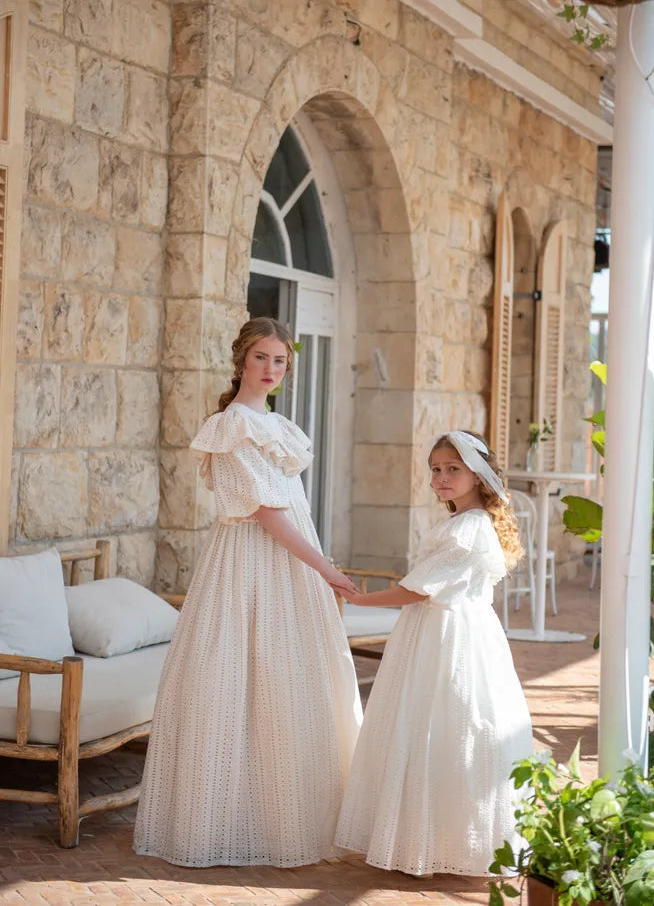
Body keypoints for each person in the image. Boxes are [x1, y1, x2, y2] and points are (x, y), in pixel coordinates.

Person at [134, 317, 362, 868]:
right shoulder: (230, 426)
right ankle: (224, 820)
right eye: (261, 357)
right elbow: (265, 515)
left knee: (287, 687)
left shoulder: (278, 426)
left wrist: (314, 565)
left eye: (280, 360)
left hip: (290, 566)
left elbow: (293, 511)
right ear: (241, 360)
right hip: (251, 567)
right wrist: (325, 568)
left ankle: (281, 816)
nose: (270, 369)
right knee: (236, 685)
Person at [335, 431, 532, 877]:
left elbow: (416, 590)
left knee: (449, 725)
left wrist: (358, 598)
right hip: (438, 630)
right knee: (431, 726)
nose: (441, 478)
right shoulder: (461, 521)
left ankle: (447, 840)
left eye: (452, 469)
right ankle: (425, 834)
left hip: (452, 636)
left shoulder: (469, 528)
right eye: (436, 469)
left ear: (478, 474)